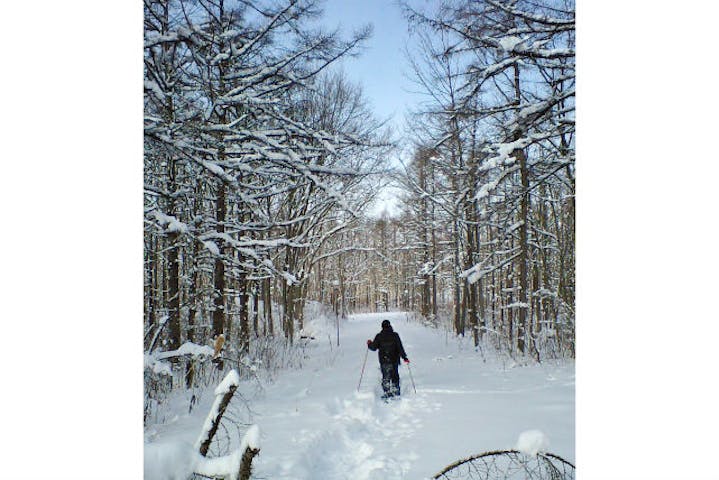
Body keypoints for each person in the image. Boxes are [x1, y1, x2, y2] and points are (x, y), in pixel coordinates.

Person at [366, 319, 409, 398]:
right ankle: (396, 390)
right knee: (395, 375)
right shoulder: (395, 335)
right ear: (390, 326)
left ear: (382, 327)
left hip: (384, 360)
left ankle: (387, 391)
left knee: (386, 376)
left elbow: (373, 347)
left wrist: (369, 344)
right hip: (394, 359)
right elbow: (400, 347)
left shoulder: (379, 336)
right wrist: (404, 357)